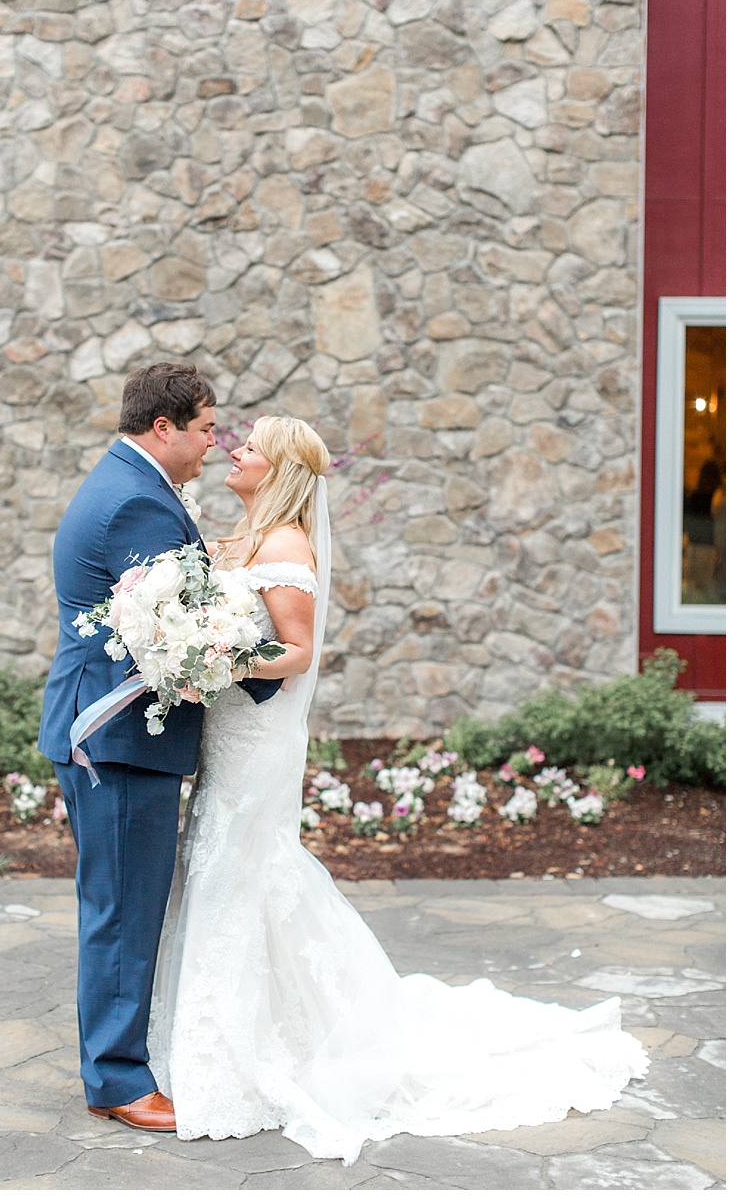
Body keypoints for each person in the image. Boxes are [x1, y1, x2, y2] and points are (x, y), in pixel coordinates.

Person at [148, 414, 648, 1162]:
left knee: (243, 867)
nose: (236, 450)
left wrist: (216, 661)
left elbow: (297, 651)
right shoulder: (243, 536)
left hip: (258, 740)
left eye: (250, 447)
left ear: (277, 468)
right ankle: (236, 1030)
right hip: (228, 735)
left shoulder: (285, 544)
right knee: (221, 865)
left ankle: (258, 1046)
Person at [36, 363, 281, 1132]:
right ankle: (115, 1080)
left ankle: (118, 1063)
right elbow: (174, 636)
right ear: (164, 427)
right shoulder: (137, 502)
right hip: (115, 736)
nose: (217, 441)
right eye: (207, 427)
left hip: (116, 733)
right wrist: (263, 679)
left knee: (125, 903)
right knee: (122, 909)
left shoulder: (130, 483)